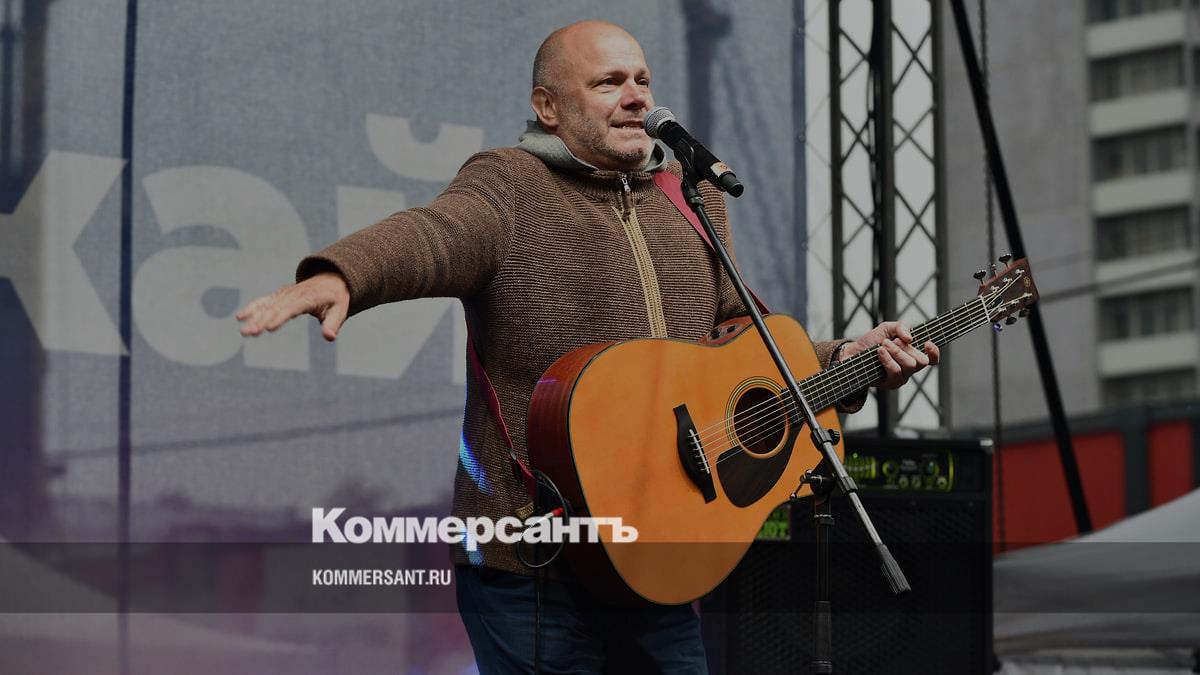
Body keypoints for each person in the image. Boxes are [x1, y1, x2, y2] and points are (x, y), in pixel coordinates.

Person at [237, 19, 939, 674]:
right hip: (534, 567)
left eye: (642, 80)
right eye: (609, 82)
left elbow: (741, 344)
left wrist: (845, 360)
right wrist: (343, 275)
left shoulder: (689, 196)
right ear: (548, 106)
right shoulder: (510, 183)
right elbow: (432, 236)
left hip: (657, 558)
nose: (636, 97)